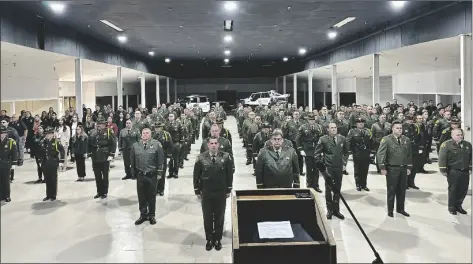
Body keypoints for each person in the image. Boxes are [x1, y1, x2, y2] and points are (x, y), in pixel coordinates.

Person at [193, 136, 234, 251]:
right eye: (211, 143)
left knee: (219, 217)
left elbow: (229, 174)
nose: (214, 145)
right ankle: (209, 239)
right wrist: (197, 190)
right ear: (208, 145)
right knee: (207, 217)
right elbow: (196, 175)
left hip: (220, 192)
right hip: (206, 192)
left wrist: (228, 189)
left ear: (219, 144)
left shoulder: (225, 157)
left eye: (216, 143)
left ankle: (217, 239)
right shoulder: (201, 158)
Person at [376, 121, 412, 218]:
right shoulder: (386, 140)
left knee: (402, 190)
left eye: (401, 128)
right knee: (391, 190)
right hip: (392, 169)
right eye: (397, 128)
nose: (400, 130)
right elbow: (380, 154)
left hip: (403, 169)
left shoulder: (406, 140)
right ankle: (390, 210)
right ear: (392, 129)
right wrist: (382, 167)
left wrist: (409, 167)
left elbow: (409, 155)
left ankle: (400, 209)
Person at [314, 122, 349, 220]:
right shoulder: (323, 139)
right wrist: (322, 166)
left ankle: (336, 210)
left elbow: (346, 152)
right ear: (328, 129)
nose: (334, 129)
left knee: (337, 189)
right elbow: (317, 154)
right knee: (329, 188)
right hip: (328, 167)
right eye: (331, 128)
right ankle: (329, 210)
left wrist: (344, 163)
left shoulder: (342, 139)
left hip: (339, 167)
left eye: (335, 127)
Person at [131, 128, 165, 225]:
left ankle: (151, 215)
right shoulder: (135, 145)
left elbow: (160, 160)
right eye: (143, 133)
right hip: (140, 175)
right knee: (141, 196)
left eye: (147, 133)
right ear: (141, 135)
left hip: (152, 175)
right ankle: (143, 215)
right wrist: (133, 172)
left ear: (150, 135)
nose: (145, 135)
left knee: (151, 196)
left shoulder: (156, 145)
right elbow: (132, 160)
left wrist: (159, 173)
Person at [438, 128, 472, 215]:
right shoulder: (446, 145)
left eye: (461, 134)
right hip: (453, 171)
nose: (460, 136)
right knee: (453, 189)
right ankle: (452, 206)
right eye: (458, 135)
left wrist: (470, 168)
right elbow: (442, 158)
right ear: (452, 135)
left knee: (463, 189)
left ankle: (458, 205)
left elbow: (471, 158)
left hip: (465, 171)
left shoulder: (467, 144)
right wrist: (443, 169)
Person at [88, 117, 117, 199]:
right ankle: (99, 192)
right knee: (97, 176)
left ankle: (104, 192)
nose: (99, 125)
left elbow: (113, 143)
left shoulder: (108, 131)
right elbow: (89, 143)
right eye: (98, 124)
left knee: (105, 176)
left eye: (101, 124)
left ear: (104, 125)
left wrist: (111, 154)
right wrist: (89, 153)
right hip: (95, 156)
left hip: (105, 156)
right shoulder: (93, 132)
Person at [297, 114, 324, 193]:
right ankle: (309, 185)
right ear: (308, 120)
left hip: (316, 150)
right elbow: (298, 139)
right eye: (310, 119)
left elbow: (322, 138)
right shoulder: (303, 127)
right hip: (307, 151)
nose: (311, 121)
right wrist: (300, 149)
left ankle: (316, 185)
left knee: (316, 169)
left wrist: (322, 150)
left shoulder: (319, 127)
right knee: (309, 169)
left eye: (313, 119)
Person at [39, 127, 65, 201]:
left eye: (49, 134)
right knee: (47, 179)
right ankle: (48, 195)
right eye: (46, 134)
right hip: (45, 163)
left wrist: (61, 162)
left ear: (52, 134)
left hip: (53, 162)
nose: (47, 135)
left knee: (53, 179)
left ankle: (53, 195)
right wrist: (40, 160)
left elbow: (62, 151)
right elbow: (41, 151)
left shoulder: (56, 142)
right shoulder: (43, 141)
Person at [346, 118, 372, 191]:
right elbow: (348, 141)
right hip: (357, 152)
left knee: (365, 169)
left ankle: (364, 184)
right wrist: (350, 150)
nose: (361, 124)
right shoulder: (352, 131)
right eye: (359, 122)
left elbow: (371, 141)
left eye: (362, 122)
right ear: (356, 124)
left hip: (366, 152)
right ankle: (358, 184)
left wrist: (371, 152)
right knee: (357, 169)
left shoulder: (368, 131)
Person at [152, 122, 172, 196]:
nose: (157, 128)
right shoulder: (152, 134)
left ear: (161, 127)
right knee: (155, 173)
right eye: (156, 127)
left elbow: (170, 145)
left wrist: (169, 156)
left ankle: (161, 189)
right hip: (153, 156)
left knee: (162, 173)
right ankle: (156, 189)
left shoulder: (166, 134)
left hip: (163, 156)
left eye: (158, 127)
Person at [0, 126, 18, 202]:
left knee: (6, 180)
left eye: (4, 133)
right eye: (1, 133)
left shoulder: (10, 141)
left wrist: (14, 163)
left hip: (6, 163)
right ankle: (1, 196)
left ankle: (7, 196)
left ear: (6, 134)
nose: (2, 135)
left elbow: (14, 153)